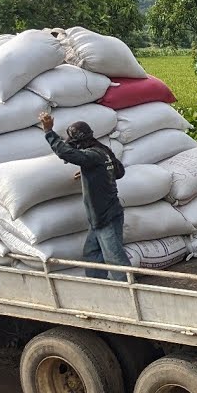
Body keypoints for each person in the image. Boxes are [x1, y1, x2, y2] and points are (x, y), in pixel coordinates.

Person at [38, 112, 128, 282]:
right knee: (92, 253)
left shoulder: (93, 155)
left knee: (114, 257)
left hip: (105, 215)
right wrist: (93, 173)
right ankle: (98, 286)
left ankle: (128, 290)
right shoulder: (103, 151)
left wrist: (49, 132)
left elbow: (67, 153)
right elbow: (119, 171)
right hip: (100, 215)